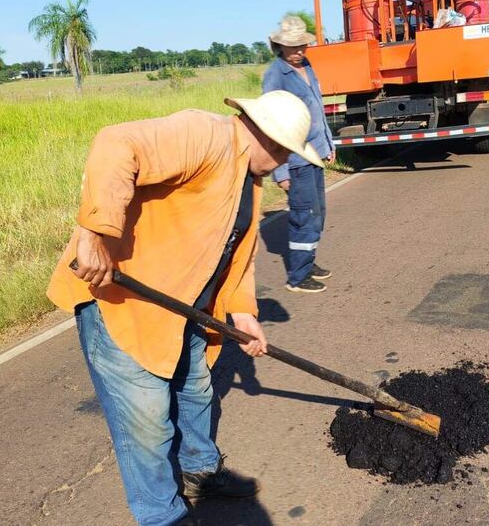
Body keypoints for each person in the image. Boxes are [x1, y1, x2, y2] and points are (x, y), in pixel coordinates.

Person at [47, 90, 323, 526]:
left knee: (195, 389)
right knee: (148, 424)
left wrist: (244, 313)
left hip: (188, 308)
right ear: (269, 140)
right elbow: (116, 142)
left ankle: (199, 472)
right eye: (286, 153)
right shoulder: (205, 135)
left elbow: (237, 254)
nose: (285, 163)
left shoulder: (249, 179)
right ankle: (162, 515)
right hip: (125, 305)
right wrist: (94, 232)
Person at [262, 15, 335, 293]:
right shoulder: (276, 74)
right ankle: (298, 276)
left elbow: (318, 107)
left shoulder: (307, 66)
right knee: (304, 216)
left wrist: (329, 144)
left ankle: (308, 261)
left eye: (302, 45)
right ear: (279, 46)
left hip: (316, 153)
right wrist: (280, 172)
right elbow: (272, 122)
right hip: (295, 159)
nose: (299, 51)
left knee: (318, 215)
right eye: (293, 47)